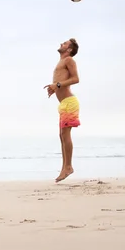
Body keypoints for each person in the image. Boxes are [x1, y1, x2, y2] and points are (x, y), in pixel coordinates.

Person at [44, 39, 80, 183]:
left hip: (70, 103)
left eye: (65, 44)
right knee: (61, 135)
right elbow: (61, 81)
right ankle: (64, 167)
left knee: (65, 135)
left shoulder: (69, 60)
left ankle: (68, 167)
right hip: (64, 103)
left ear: (69, 49)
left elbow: (76, 79)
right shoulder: (61, 62)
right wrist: (55, 88)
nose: (61, 44)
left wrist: (57, 84)